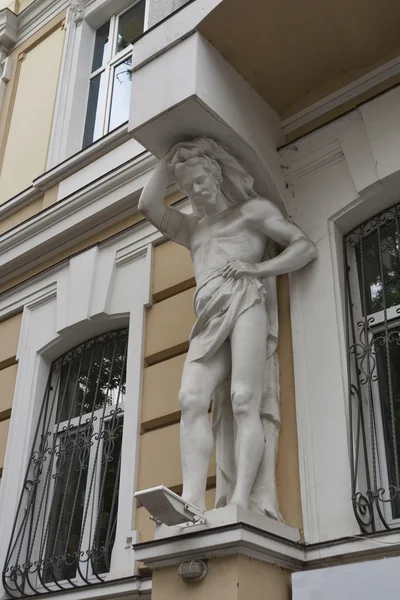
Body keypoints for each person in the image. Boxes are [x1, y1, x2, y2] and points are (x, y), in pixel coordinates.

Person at [139, 137, 316, 519]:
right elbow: (147, 205)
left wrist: (258, 268)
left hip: (246, 303)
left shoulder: (253, 213)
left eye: (199, 181)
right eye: (186, 188)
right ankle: (191, 500)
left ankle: (241, 501)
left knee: (243, 400)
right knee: (190, 399)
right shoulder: (193, 230)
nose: (195, 192)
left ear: (216, 174)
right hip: (207, 320)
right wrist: (168, 161)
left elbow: (303, 247)